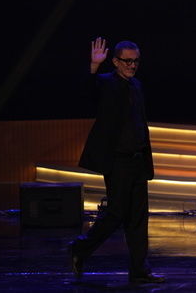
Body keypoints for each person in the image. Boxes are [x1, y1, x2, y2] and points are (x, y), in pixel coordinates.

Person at [69, 38, 164, 284]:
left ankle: (139, 270)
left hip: (138, 160)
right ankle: (80, 247)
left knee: (138, 217)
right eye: (127, 61)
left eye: (136, 61)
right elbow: (87, 92)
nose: (132, 66)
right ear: (115, 61)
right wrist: (93, 66)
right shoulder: (106, 82)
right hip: (117, 161)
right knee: (116, 213)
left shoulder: (137, 85)